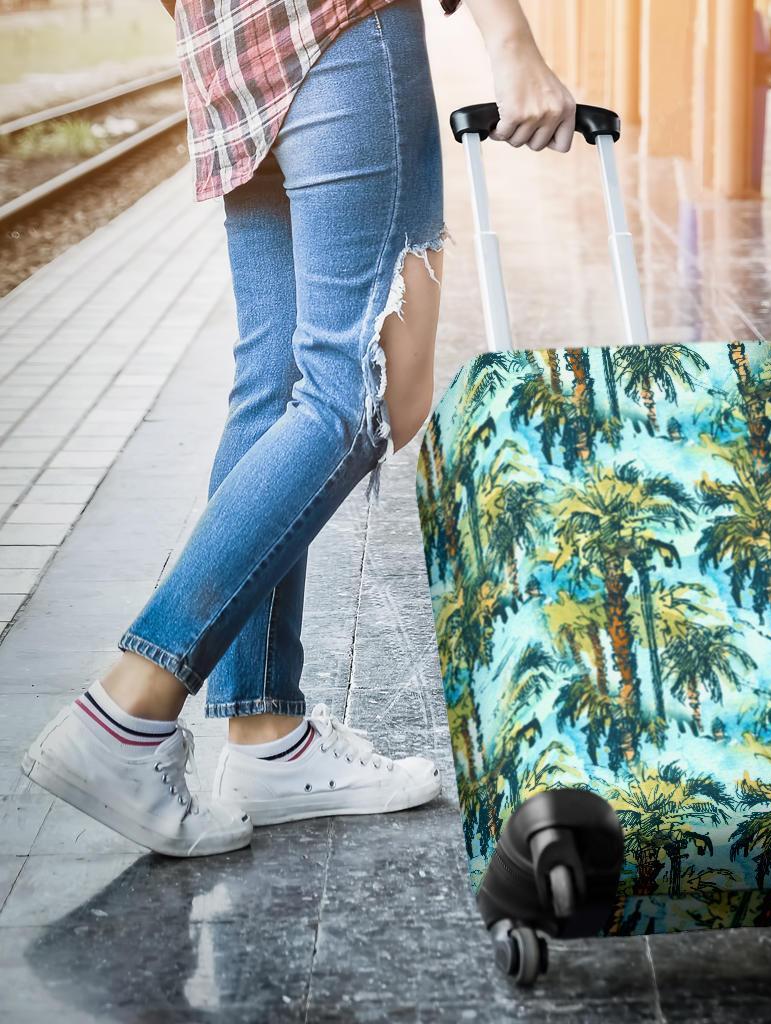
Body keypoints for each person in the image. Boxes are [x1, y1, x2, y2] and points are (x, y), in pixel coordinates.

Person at [22, 0, 576, 857]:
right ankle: (128, 710)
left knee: (276, 383)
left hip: (228, 51)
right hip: (341, 27)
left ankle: (265, 735)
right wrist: (512, 43)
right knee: (361, 390)